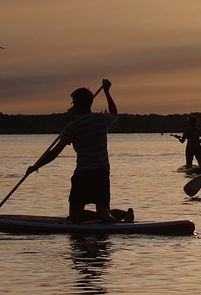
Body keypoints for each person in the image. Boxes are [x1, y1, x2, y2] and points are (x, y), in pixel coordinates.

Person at [28, 79, 131, 223]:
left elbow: (55, 152)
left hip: (83, 173)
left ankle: (102, 216)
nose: (73, 106)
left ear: (77, 104)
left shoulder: (73, 126)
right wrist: (107, 92)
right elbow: (114, 113)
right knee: (104, 209)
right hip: (102, 172)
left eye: (73, 103)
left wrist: (36, 166)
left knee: (75, 216)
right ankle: (123, 215)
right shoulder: (101, 119)